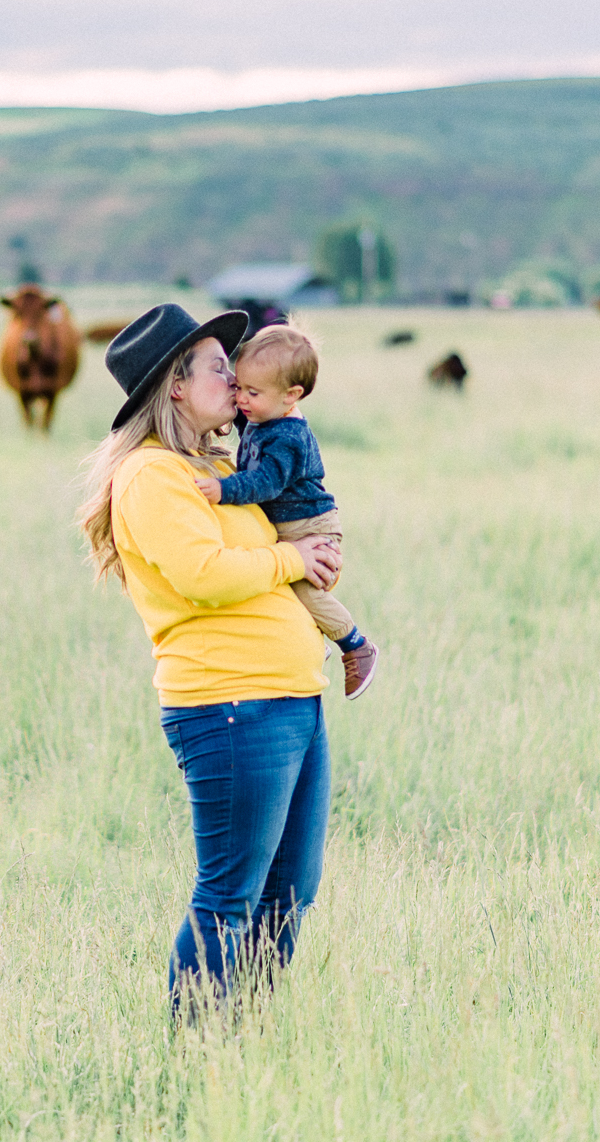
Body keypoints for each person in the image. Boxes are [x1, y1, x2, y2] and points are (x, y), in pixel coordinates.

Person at [77, 303, 343, 1014]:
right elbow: (204, 573)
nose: (236, 378)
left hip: (290, 696)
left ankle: (244, 1040)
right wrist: (291, 556)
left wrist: (316, 556)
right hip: (230, 705)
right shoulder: (152, 475)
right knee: (229, 897)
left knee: (289, 893)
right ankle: (197, 1054)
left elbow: (271, 549)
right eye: (219, 368)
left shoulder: (219, 465)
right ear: (175, 386)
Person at [190, 324, 379, 699]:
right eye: (239, 387)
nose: (240, 398)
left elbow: (265, 483)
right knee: (273, 577)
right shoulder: (264, 414)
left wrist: (223, 489)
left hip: (308, 525)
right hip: (288, 524)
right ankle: (306, 642)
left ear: (292, 396)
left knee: (302, 588)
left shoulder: (288, 438)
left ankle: (356, 645)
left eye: (252, 392)